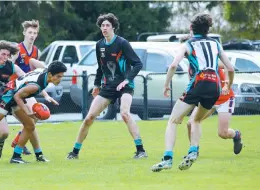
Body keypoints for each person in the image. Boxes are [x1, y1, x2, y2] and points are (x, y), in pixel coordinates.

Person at [151, 13, 235, 172]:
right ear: (207, 29)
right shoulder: (215, 43)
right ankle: (193, 151)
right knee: (196, 120)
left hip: (199, 81)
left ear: (191, 28)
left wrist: (166, 84)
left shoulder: (188, 44)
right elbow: (230, 68)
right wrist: (228, 85)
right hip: (215, 86)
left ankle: (167, 159)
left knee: (174, 120)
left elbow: (174, 65)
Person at [66, 13, 147, 160]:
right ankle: (74, 152)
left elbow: (138, 63)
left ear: (113, 27)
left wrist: (127, 80)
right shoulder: (99, 45)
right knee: (89, 117)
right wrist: (97, 84)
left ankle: (140, 150)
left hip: (125, 86)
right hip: (108, 86)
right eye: (102, 25)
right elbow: (100, 67)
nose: (104, 28)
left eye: (107, 25)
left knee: (124, 113)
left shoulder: (122, 43)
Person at [6, 20, 58, 159]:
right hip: (14, 90)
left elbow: (39, 77)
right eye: (30, 32)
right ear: (24, 33)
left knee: (35, 117)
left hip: (27, 89)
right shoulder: (17, 49)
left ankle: (31, 148)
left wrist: (46, 95)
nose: (32, 35)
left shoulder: (36, 51)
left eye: (35, 33)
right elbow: (7, 67)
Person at [185, 63, 242, 155]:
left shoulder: (209, 61)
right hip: (208, 99)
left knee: (223, 133)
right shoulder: (192, 67)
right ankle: (194, 150)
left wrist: (226, 85)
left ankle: (236, 135)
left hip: (225, 99)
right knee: (190, 123)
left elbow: (227, 66)